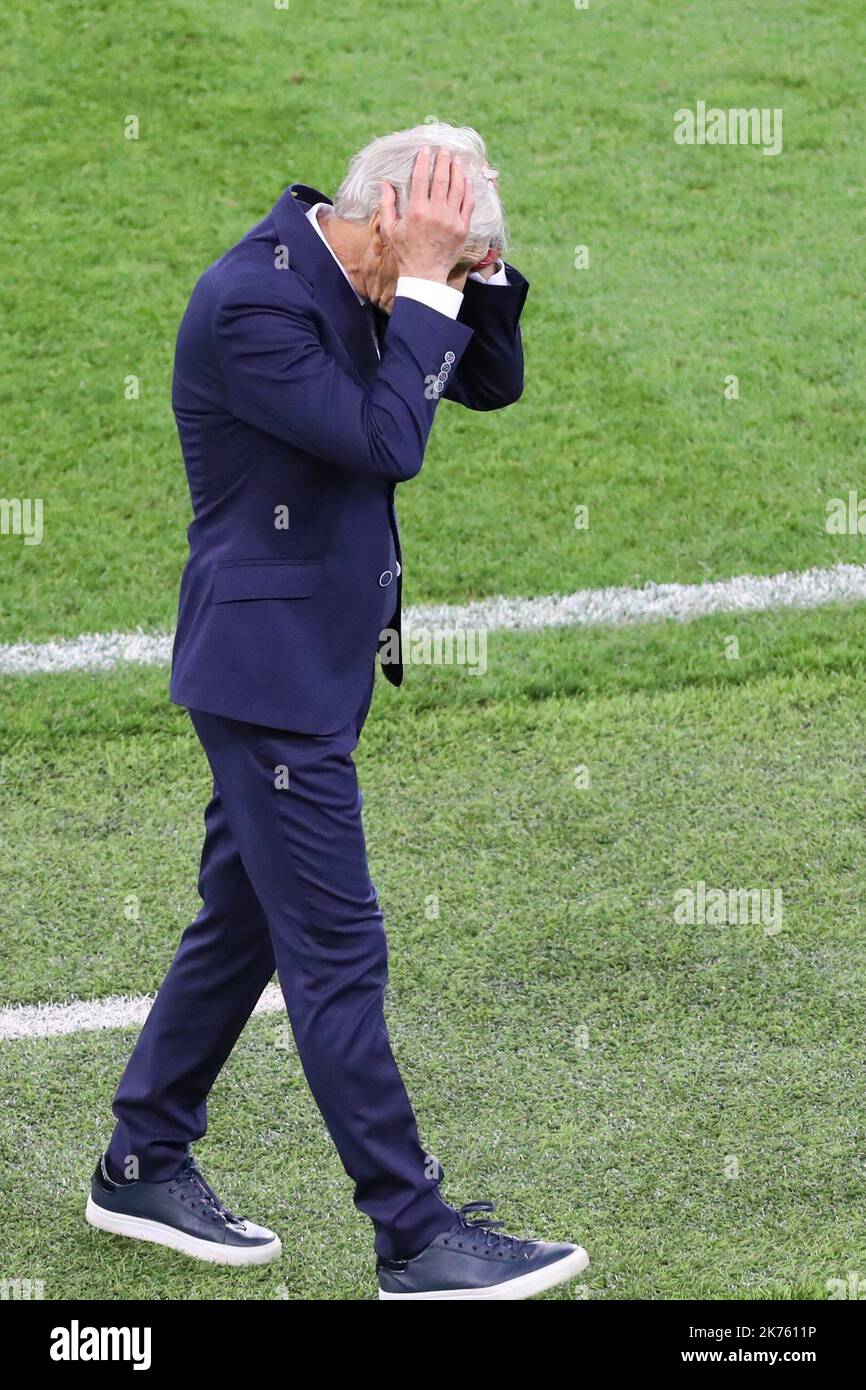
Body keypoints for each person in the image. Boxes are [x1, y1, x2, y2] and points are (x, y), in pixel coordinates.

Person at [85, 123, 588, 1300]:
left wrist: (479, 271)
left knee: (244, 920)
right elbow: (385, 438)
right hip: (266, 679)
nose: (447, 282)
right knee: (337, 952)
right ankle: (413, 1234)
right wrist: (420, 284)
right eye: (437, 255)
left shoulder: (384, 265)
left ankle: (140, 1157)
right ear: (382, 221)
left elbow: (492, 382)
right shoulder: (249, 303)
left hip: (311, 662)